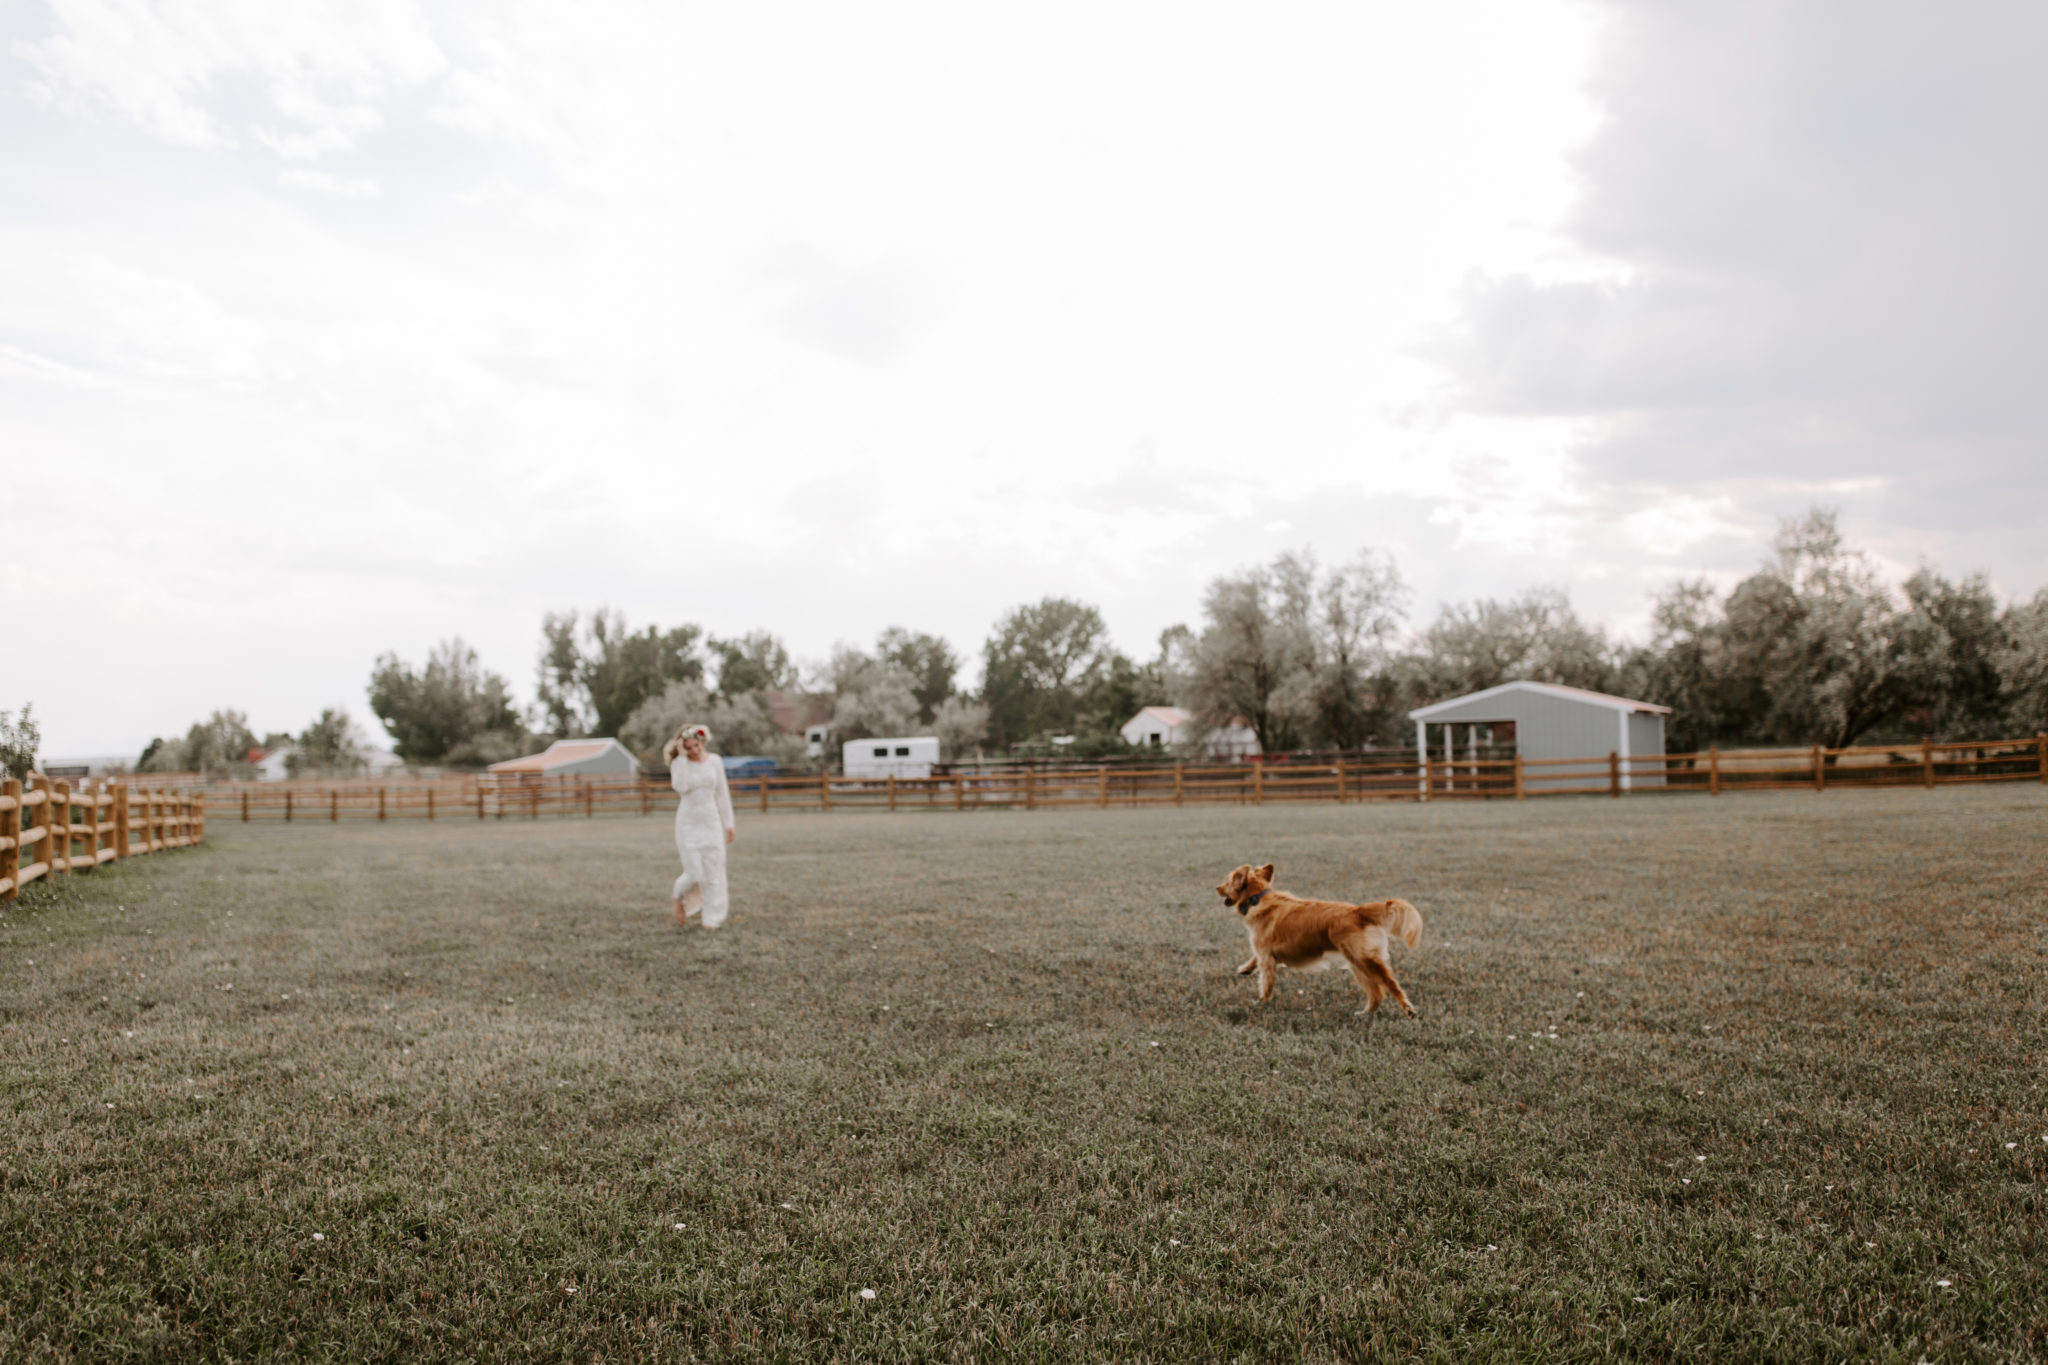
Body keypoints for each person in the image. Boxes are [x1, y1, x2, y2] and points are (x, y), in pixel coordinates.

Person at [665, 723, 735, 929]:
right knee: (694, 873)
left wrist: (728, 823)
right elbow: (681, 786)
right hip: (688, 824)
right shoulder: (679, 763)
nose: (694, 750)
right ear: (682, 747)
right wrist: (682, 758)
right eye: (688, 747)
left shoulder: (715, 761)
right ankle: (678, 895)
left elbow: (722, 793)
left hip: (711, 822)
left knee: (715, 872)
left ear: (702, 741)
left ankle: (712, 918)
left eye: (697, 745)